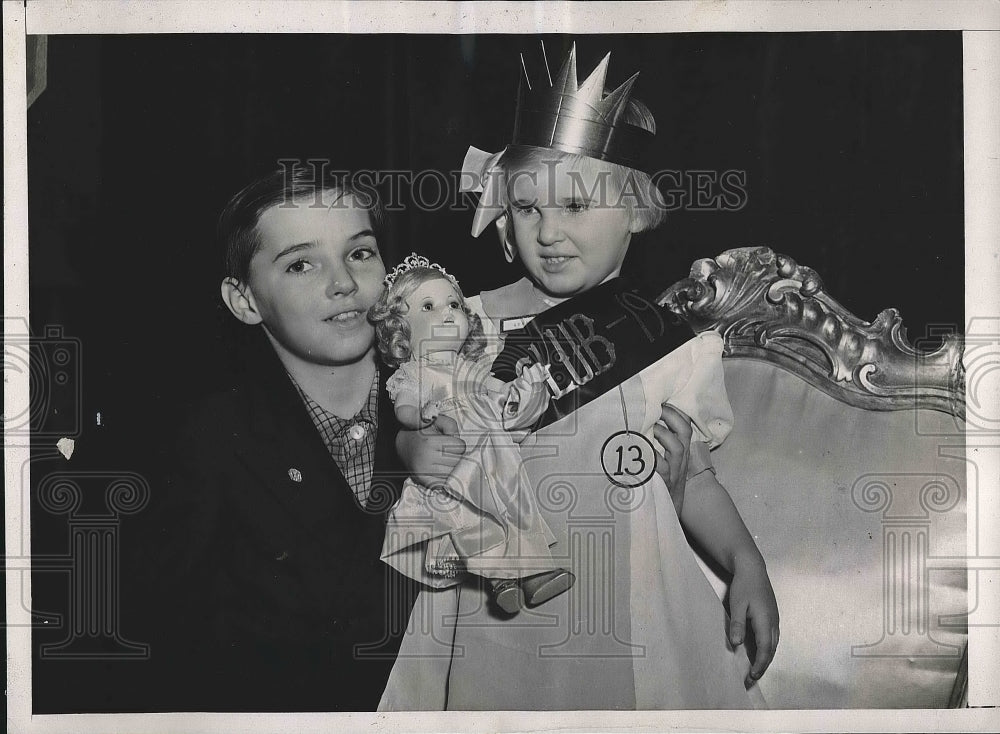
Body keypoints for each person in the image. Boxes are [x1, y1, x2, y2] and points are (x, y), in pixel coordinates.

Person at [379, 44, 779, 710]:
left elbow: (695, 477)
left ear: (636, 212)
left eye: (575, 208)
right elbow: (410, 422)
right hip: (490, 602)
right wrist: (411, 451)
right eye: (528, 209)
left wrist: (745, 562)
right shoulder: (460, 321)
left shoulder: (671, 347)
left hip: (628, 598)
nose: (549, 234)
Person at [133, 165, 418, 711]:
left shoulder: (449, 407)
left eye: (359, 253)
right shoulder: (210, 442)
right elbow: (171, 648)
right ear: (244, 301)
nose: (343, 283)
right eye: (301, 264)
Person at [370, 253, 574, 614]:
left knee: (514, 502)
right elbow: (403, 409)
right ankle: (500, 578)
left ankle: (534, 572)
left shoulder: (466, 366)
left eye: (453, 303)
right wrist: (422, 416)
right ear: (400, 330)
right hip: (458, 453)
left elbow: (494, 385)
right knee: (473, 512)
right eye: (428, 306)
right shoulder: (414, 372)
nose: (447, 312)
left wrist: (520, 388)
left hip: (494, 449)